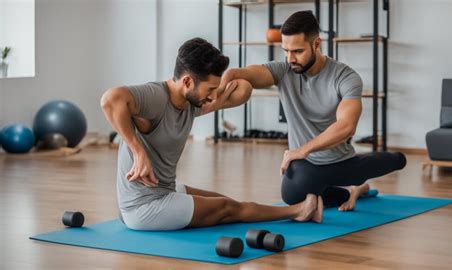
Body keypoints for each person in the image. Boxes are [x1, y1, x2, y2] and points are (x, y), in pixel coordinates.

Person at [101, 38, 323, 231]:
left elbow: (243, 89)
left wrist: (217, 93)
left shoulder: (190, 101)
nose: (212, 95)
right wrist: (138, 153)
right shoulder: (157, 97)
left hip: (163, 191)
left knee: (224, 201)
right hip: (143, 207)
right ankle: (298, 210)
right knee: (227, 209)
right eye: (209, 89)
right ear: (187, 81)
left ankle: (296, 211)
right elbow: (110, 100)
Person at [219, 11, 406, 214]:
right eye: (285, 51)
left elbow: (347, 126)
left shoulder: (345, 77)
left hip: (341, 162)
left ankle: (373, 174)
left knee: (388, 163)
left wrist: (302, 149)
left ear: (316, 44)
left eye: (297, 51)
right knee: (292, 194)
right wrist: (231, 74)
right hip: (306, 165)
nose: (290, 58)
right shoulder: (283, 71)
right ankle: (352, 192)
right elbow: (251, 73)